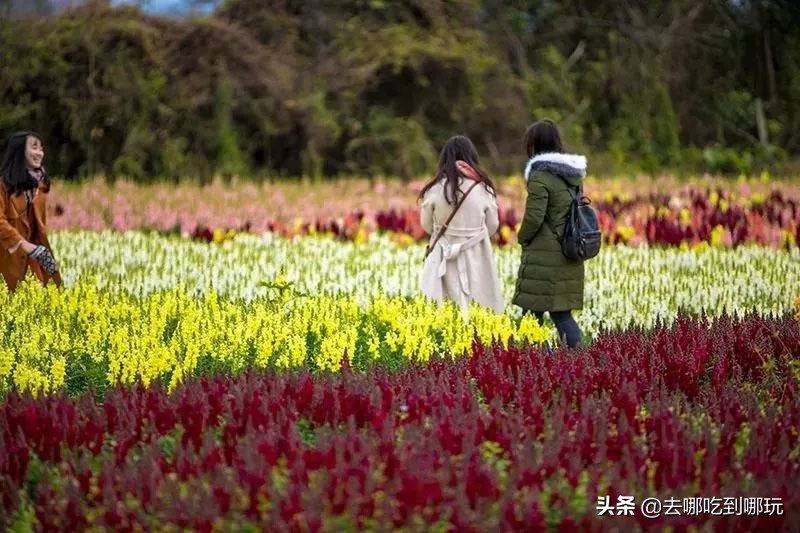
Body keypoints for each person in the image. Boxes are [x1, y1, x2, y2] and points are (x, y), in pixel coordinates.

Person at [512, 119, 585, 348]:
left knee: (531, 317)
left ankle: (540, 362)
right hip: (568, 252)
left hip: (544, 257)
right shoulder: (572, 175)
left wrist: (522, 237)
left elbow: (534, 217)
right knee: (562, 314)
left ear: (534, 144)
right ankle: (578, 360)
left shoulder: (540, 175)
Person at [419, 135, 504, 317]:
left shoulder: (434, 189)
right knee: (478, 308)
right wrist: (473, 237)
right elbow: (493, 225)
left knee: (443, 310)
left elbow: (426, 225)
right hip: (476, 255)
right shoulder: (483, 188)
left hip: (442, 254)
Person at [0, 131, 61, 291]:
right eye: (34, 147)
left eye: (41, 148)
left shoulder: (39, 189)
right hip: (7, 263)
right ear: (20, 151)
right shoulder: (3, 187)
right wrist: (22, 244)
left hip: (33, 265)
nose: (40, 153)